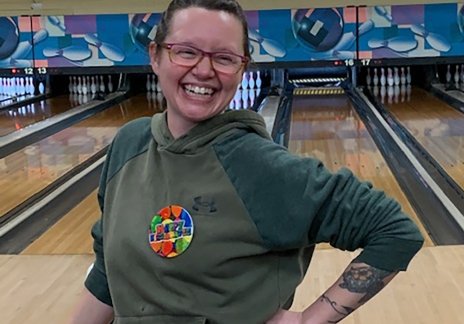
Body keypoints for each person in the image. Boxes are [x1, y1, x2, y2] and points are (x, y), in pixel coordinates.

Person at [69, 0, 424, 323]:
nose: (204, 70)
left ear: (242, 69)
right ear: (156, 56)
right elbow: (107, 272)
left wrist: (308, 320)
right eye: (186, 51)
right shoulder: (129, 144)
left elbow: (394, 230)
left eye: (223, 58)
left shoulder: (260, 167)